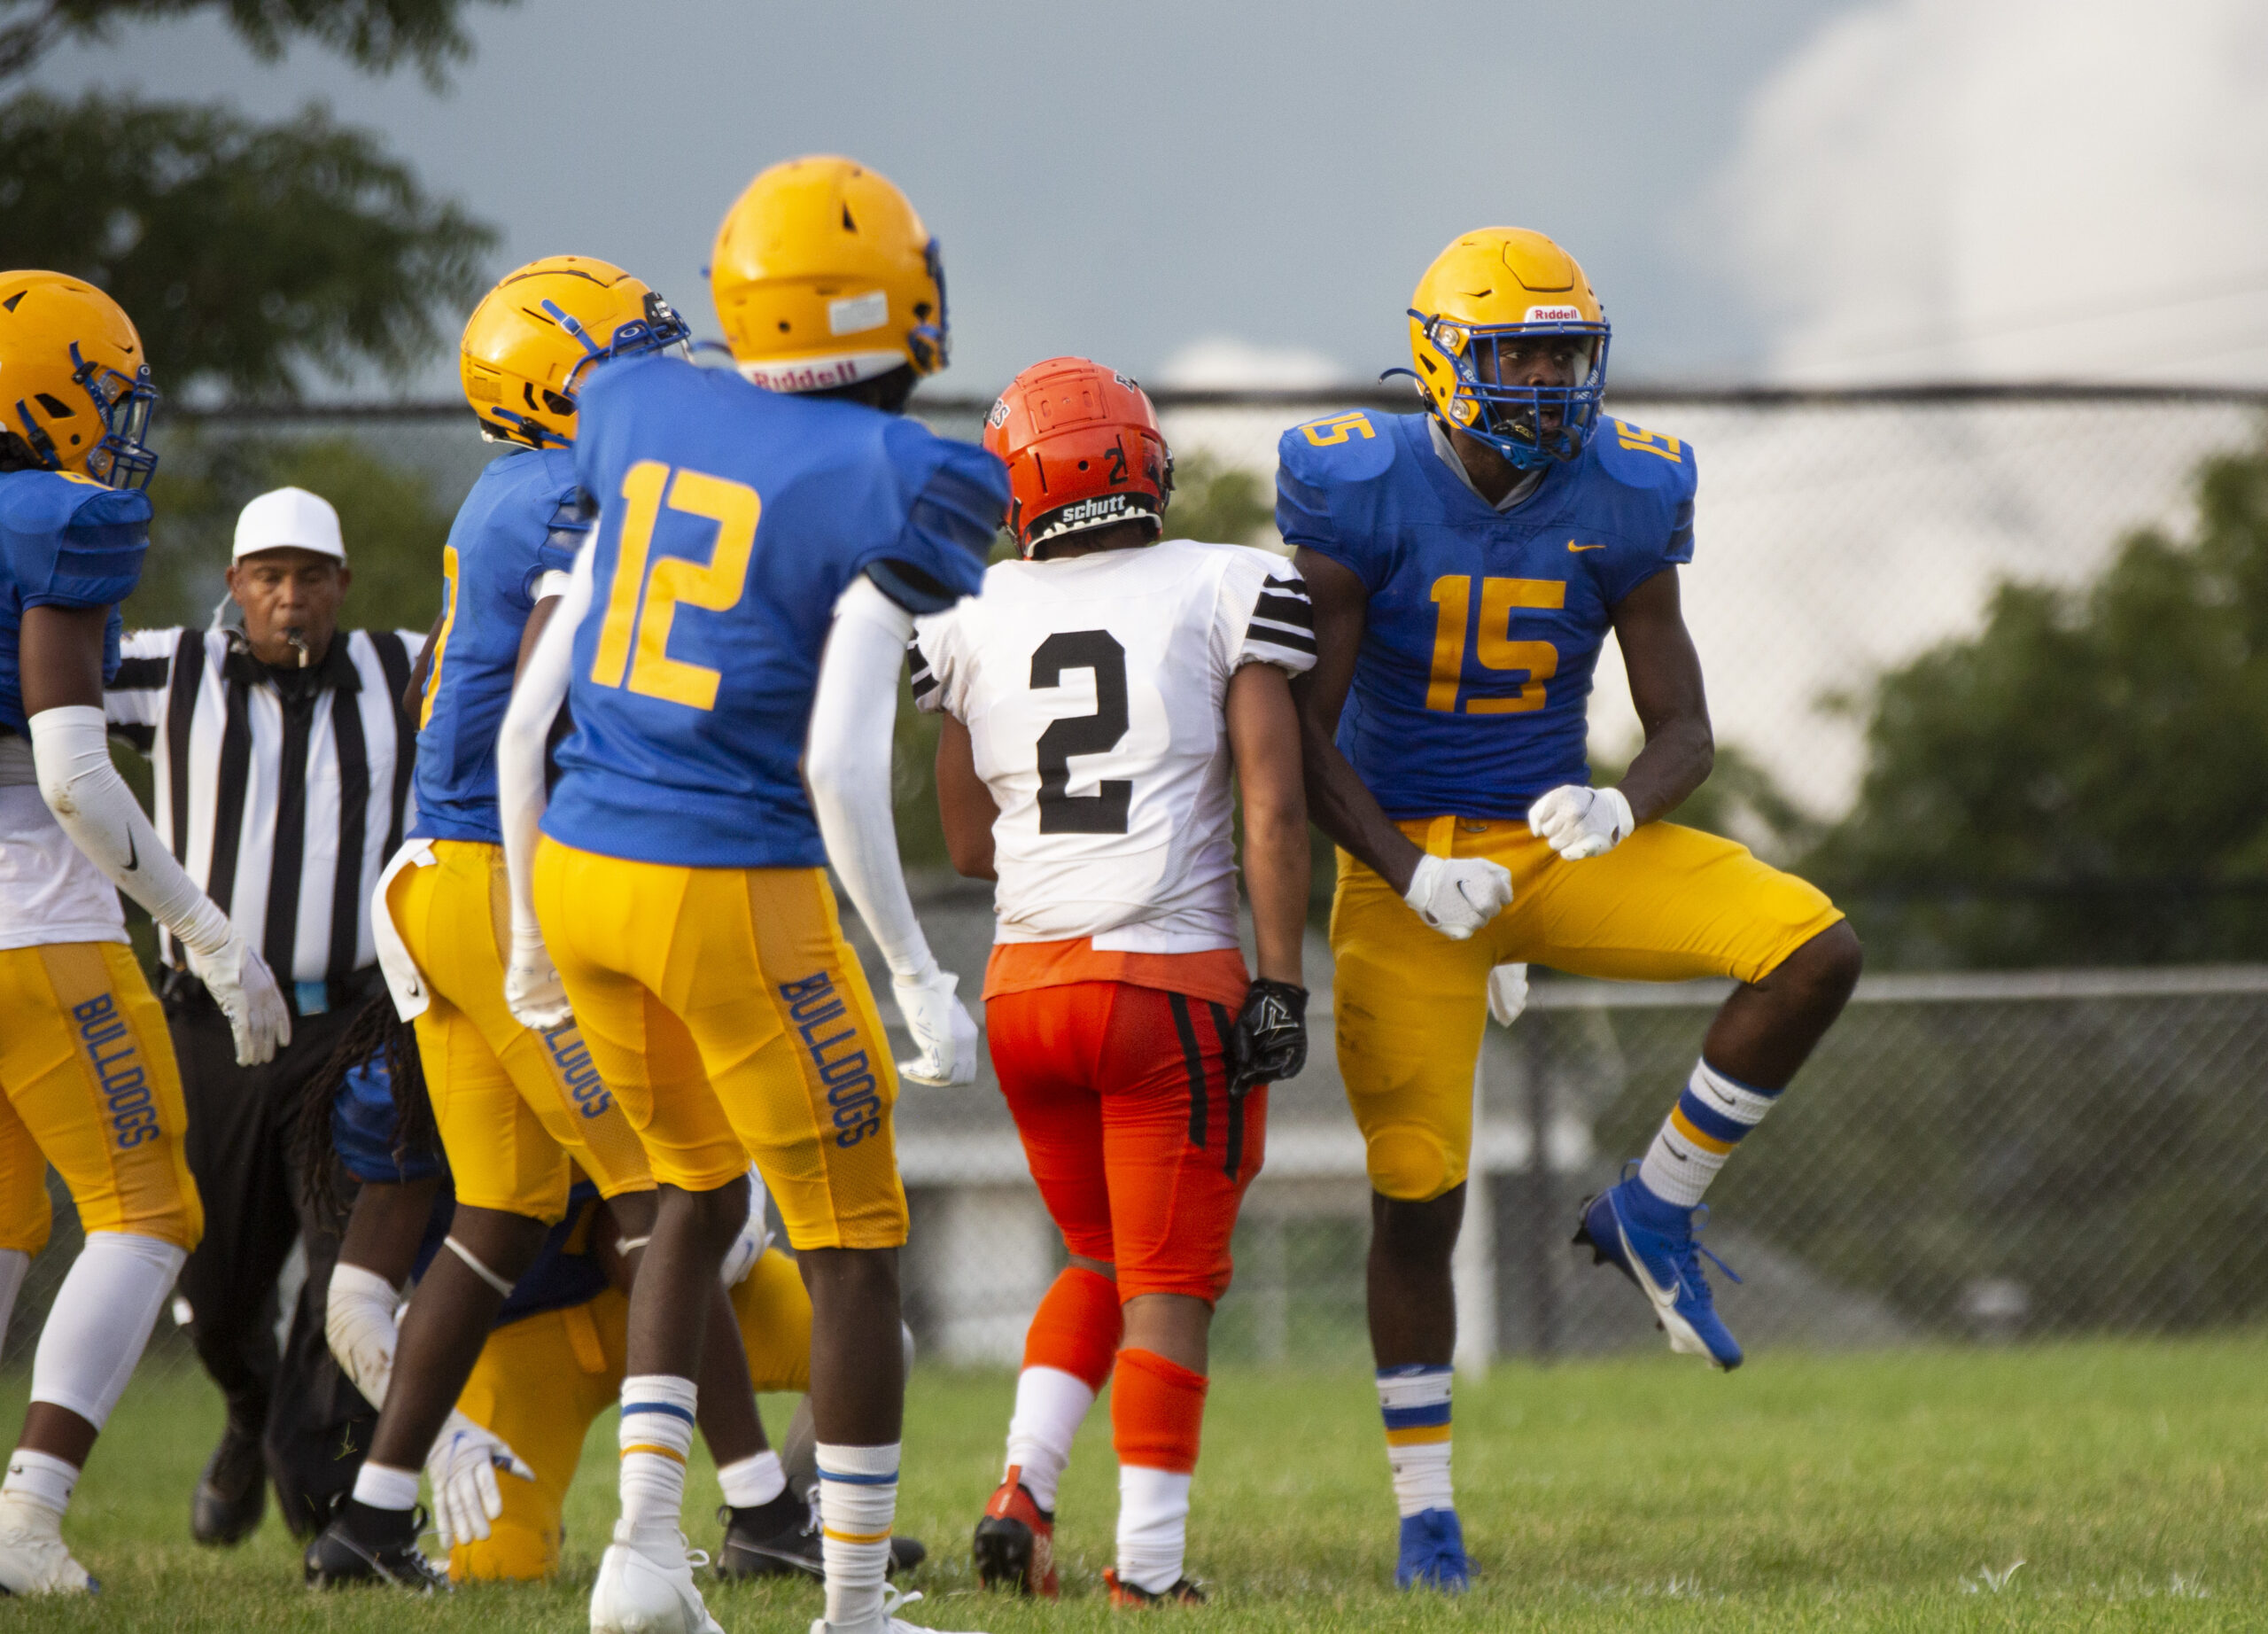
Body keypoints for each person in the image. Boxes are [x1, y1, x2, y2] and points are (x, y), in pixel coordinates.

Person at [1278, 228, 1864, 1591]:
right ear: (1442, 359)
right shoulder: (1358, 494)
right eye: (1517, 353)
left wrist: (1622, 806)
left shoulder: (1627, 488)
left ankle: (1656, 1206)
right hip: (1409, 871)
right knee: (1417, 1195)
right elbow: (1299, 740)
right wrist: (1411, 870)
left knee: (1812, 948)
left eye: (1563, 352)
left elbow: (1686, 727)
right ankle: (1425, 1510)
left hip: (1554, 848)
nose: (1547, 380)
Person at [497, 155, 1006, 1634]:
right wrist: (915, 971)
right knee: (853, 1247)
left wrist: (532, 935)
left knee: (691, 1193)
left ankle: (642, 1555)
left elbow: (531, 714)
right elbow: (846, 769)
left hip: (585, 869)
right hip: (731, 891)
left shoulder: (644, 407)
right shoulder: (897, 475)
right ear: (898, 302)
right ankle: (851, 1604)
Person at [302, 255, 793, 1593]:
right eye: (626, 353)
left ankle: (367, 1517)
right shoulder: (577, 491)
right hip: (493, 876)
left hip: (435, 872)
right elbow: (551, 702)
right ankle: (763, 1510)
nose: (659, 373)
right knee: (671, 1186)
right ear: (552, 379)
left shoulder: (513, 487)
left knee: (508, 1207)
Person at [912, 358, 1313, 1605]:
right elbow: (1274, 804)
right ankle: (1148, 1570)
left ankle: (1022, 1488)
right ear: (1144, 461)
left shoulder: (968, 610)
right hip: (1165, 980)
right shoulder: (1223, 583)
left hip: (1026, 987)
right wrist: (1284, 979)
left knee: (1096, 1254)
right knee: (1170, 1282)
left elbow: (970, 846)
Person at [0, 270, 290, 1593]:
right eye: (106, 394)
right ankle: (30, 1515)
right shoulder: (54, 521)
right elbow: (70, 770)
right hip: (36, 926)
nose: (120, 425)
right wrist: (205, 928)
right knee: (147, 1208)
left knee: (6, 1219)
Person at [291, 996, 913, 1584]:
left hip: (684, 1308)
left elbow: (722, 1175)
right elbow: (353, 1305)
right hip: (520, 1340)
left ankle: (799, 1515)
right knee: (498, 1567)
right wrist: (441, 1428)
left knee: (873, 1343)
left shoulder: (611, 1022)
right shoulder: (405, 1084)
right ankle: (763, 1516)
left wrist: (704, 1247)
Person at [101, 482, 425, 1543]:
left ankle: (325, 1498)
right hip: (213, 1025)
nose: (291, 599)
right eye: (269, 578)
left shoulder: (404, 668)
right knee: (217, 1289)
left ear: (344, 587)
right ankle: (247, 1413)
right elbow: (48, 689)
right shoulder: (170, 668)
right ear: (235, 587)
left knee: (347, 1264)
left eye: (311, 578)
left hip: (355, 1029)